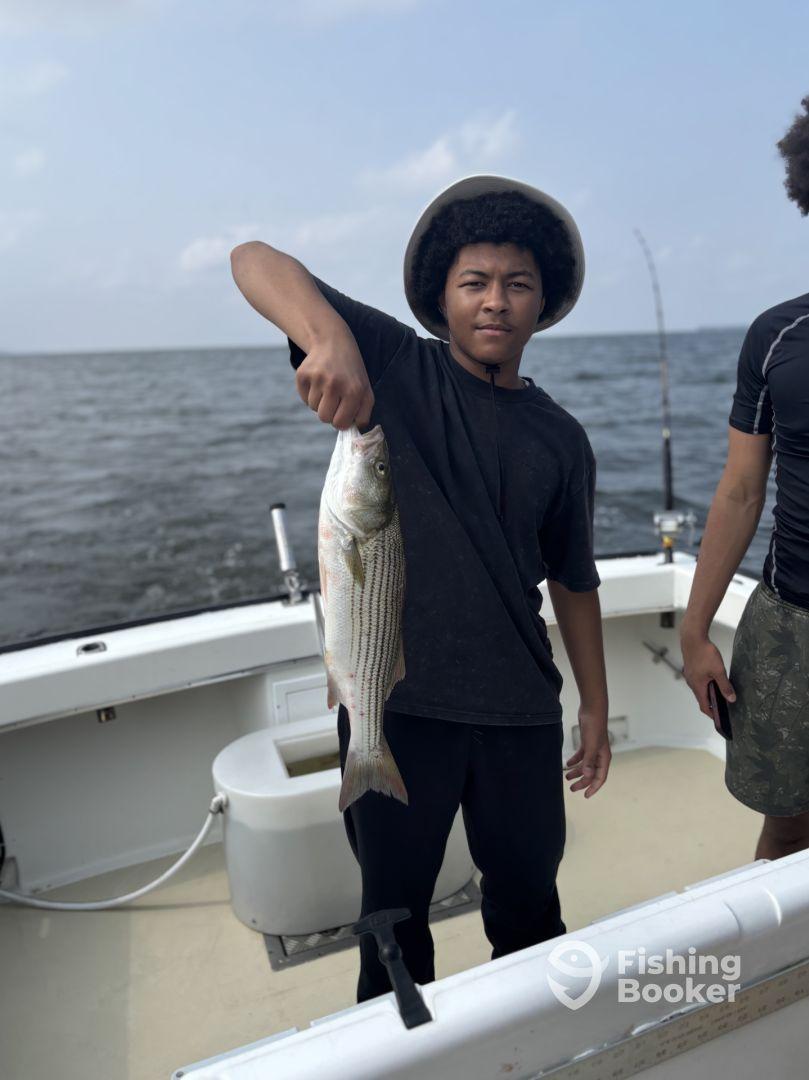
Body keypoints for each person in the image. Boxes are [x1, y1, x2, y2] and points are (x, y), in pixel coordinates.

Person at [230, 174, 610, 1002]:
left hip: (518, 712)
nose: (495, 302)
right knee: (391, 925)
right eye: (474, 282)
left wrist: (592, 706)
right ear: (442, 294)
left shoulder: (563, 439)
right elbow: (253, 260)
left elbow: (574, 581)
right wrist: (327, 339)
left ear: (543, 301)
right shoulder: (398, 365)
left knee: (531, 912)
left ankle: (534, 1044)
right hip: (396, 710)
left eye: (517, 285)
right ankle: (396, 1046)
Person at [680, 97, 809, 861]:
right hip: (794, 623)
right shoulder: (777, 336)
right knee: (789, 826)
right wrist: (695, 630)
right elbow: (740, 490)